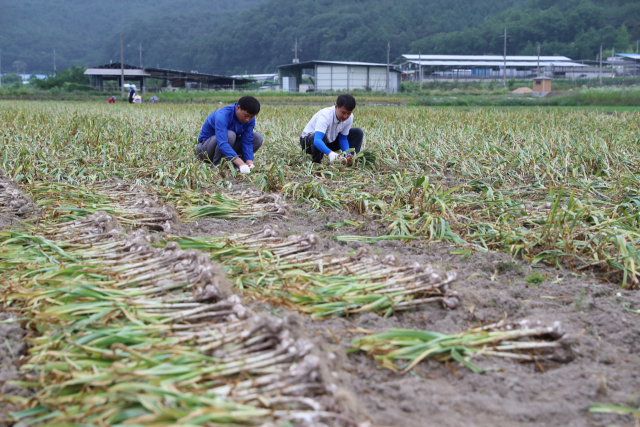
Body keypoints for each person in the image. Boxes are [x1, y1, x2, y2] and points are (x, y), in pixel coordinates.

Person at [196, 96, 263, 174]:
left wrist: (249, 163)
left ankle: (238, 166)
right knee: (230, 135)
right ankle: (217, 166)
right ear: (238, 108)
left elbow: (247, 141)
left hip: (228, 147)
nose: (247, 119)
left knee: (257, 138)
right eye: (246, 115)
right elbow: (222, 143)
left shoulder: (249, 120)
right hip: (206, 150)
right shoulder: (223, 115)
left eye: (251, 117)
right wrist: (241, 163)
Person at [300, 94, 363, 165]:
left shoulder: (349, 117)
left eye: (349, 113)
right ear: (336, 107)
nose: (345, 116)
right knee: (321, 137)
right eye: (343, 112)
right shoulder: (325, 115)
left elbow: (343, 139)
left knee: (357, 132)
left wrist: (347, 154)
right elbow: (317, 140)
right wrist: (330, 153)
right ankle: (316, 163)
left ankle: (350, 161)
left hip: (328, 141)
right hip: (309, 142)